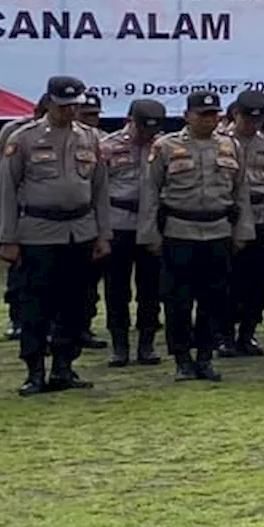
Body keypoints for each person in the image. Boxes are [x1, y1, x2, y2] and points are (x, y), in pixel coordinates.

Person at [0, 75, 112, 396]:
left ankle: (64, 366)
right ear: (49, 102)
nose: (69, 112)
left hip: (81, 232)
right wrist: (8, 237)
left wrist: (103, 234)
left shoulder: (90, 139)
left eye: (74, 106)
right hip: (38, 232)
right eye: (63, 106)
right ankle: (34, 371)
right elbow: (6, 190)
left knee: (77, 303)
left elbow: (100, 190)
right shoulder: (25, 138)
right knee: (36, 305)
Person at [139, 91, 255, 382]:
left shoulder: (231, 146)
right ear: (187, 115)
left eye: (214, 114)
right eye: (203, 114)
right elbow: (150, 194)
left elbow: (241, 193)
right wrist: (150, 234)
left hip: (218, 232)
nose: (210, 119)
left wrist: (243, 230)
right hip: (179, 231)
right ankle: (182, 359)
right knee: (177, 301)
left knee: (214, 300)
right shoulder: (165, 146)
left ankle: (205, 357)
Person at [99, 98, 167, 367]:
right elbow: (97, 189)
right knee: (117, 289)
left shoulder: (164, 146)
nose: (147, 134)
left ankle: (147, 344)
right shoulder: (108, 147)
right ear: (131, 120)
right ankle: (120, 346)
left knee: (151, 288)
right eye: (143, 128)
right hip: (118, 223)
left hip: (151, 224)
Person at [0, 94, 48, 342]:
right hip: (20, 213)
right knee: (19, 272)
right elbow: (0, 177)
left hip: (53, 220)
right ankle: (16, 319)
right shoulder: (15, 131)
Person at [224, 90, 264, 356]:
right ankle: (224, 335)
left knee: (256, 284)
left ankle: (248, 333)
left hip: (260, 220)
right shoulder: (221, 143)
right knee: (227, 282)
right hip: (229, 222)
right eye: (248, 119)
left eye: (258, 120)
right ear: (236, 114)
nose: (253, 125)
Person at [75, 93, 108, 350]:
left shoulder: (100, 143)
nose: (92, 120)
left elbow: (102, 190)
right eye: (87, 114)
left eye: (96, 114)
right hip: (54, 225)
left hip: (89, 223)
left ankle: (83, 327)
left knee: (88, 282)